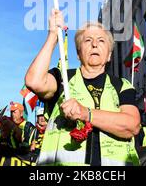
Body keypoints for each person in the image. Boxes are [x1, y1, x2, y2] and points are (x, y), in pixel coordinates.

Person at [25, 10, 140, 166]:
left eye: (101, 40)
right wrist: (53, 36)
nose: (94, 44)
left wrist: (86, 113)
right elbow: (34, 81)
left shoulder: (122, 85)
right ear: (78, 54)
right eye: (87, 40)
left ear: (109, 56)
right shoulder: (63, 79)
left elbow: (132, 125)